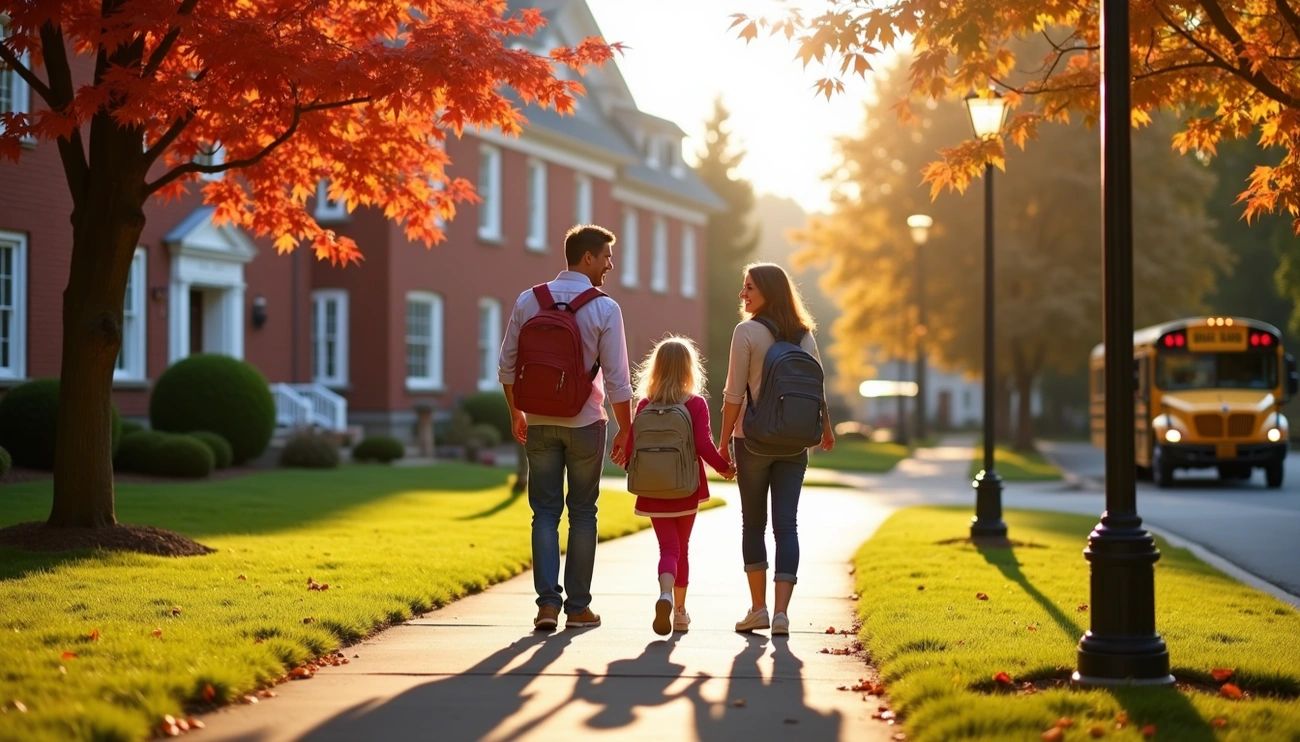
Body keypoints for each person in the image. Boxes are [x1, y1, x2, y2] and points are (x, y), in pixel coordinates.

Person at [499, 224, 633, 632]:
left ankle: (546, 606)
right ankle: (577, 608)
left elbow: (507, 364)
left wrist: (516, 413)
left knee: (543, 512)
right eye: (606, 256)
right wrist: (626, 429)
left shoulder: (529, 300)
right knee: (583, 513)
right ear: (587, 257)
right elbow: (617, 379)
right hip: (585, 421)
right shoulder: (605, 308)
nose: (610, 264)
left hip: (538, 421)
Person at [717, 262, 835, 636]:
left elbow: (734, 394)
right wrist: (826, 430)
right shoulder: (804, 336)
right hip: (795, 442)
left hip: (752, 441)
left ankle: (758, 610)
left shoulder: (746, 332)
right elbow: (817, 389)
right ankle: (782, 614)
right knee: (787, 525)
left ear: (769, 291)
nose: (743, 294)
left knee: (754, 524)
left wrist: (722, 444)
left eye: (749, 287)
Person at [628, 336, 734, 635]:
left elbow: (634, 448)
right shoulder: (695, 404)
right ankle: (679, 611)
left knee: (667, 547)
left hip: (651, 490)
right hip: (685, 488)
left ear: (656, 368)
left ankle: (664, 594)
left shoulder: (645, 404)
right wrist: (725, 468)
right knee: (681, 548)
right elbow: (703, 444)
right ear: (689, 369)